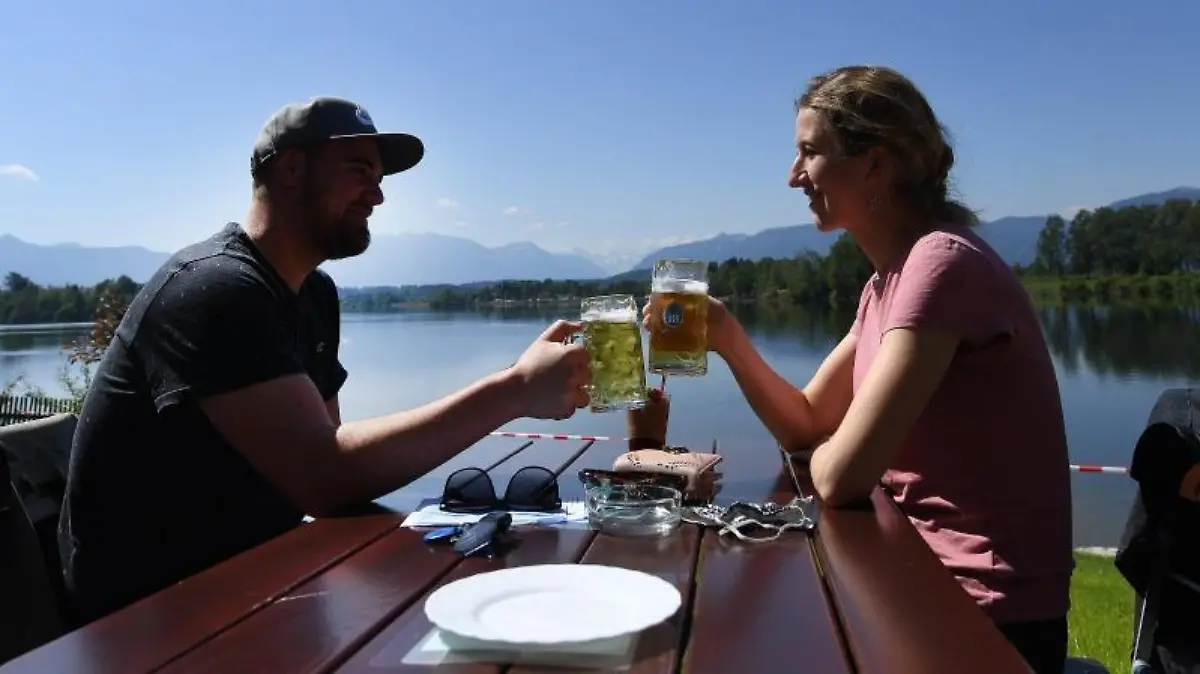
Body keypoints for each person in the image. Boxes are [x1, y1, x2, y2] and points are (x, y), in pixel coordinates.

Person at [57, 96, 590, 626]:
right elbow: (326, 477)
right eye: (359, 171)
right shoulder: (213, 289)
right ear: (291, 169)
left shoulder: (313, 295)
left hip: (264, 583)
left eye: (379, 178)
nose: (377, 195)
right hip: (150, 621)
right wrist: (514, 390)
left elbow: (332, 461)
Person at [644, 66, 1073, 673]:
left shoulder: (941, 263)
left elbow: (840, 477)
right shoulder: (885, 285)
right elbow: (806, 422)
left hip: (985, 620)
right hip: (913, 578)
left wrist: (833, 450)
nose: (793, 175)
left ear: (875, 164)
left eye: (810, 153)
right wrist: (730, 340)